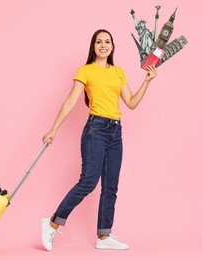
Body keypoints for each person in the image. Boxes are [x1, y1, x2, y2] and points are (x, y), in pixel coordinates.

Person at [41, 29, 157, 251]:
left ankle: (104, 237)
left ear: (112, 46)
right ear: (93, 47)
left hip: (116, 132)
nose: (103, 45)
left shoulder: (118, 72)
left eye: (107, 42)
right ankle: (53, 223)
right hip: (95, 131)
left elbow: (131, 103)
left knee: (111, 187)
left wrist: (147, 81)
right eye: (99, 42)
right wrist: (53, 129)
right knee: (88, 182)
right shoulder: (86, 71)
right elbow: (71, 100)